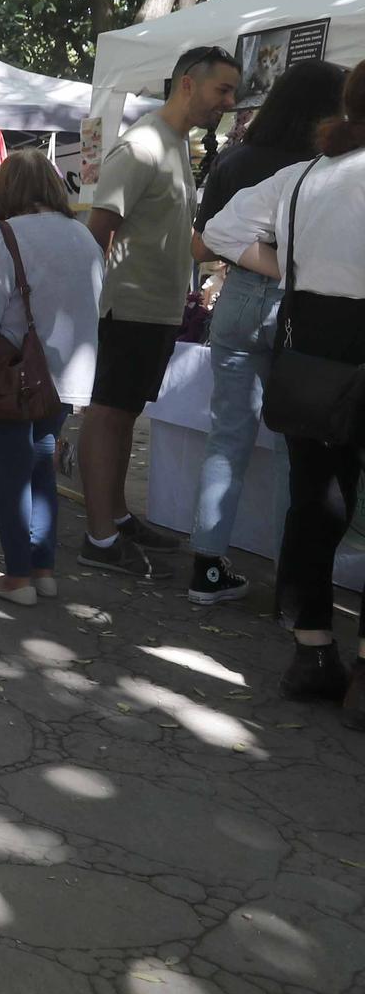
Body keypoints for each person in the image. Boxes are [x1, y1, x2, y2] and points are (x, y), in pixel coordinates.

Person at [203, 61, 365, 725]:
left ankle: (313, 649)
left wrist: (289, 267)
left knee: (314, 500)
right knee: (321, 503)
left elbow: (218, 231)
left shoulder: (304, 178)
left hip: (313, 351)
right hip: (336, 350)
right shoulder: (309, 173)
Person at [185, 60, 346, 605]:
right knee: (293, 448)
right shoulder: (324, 166)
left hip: (236, 301)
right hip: (297, 309)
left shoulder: (235, 159)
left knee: (226, 436)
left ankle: (206, 566)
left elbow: (202, 244)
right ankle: (291, 587)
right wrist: (291, 267)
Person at [78, 45, 240, 579]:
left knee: (123, 416)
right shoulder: (143, 145)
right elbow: (96, 234)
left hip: (157, 311)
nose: (229, 102)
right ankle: (98, 536)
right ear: (189, 84)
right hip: (127, 309)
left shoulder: (173, 143)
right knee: (106, 416)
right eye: (223, 90)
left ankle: (117, 517)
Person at [0, 153, 105, 604]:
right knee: (41, 465)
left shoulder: (3, 236)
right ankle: (42, 569)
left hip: (14, 374)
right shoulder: (84, 237)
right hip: (67, 377)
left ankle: (17, 576)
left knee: (11, 473)